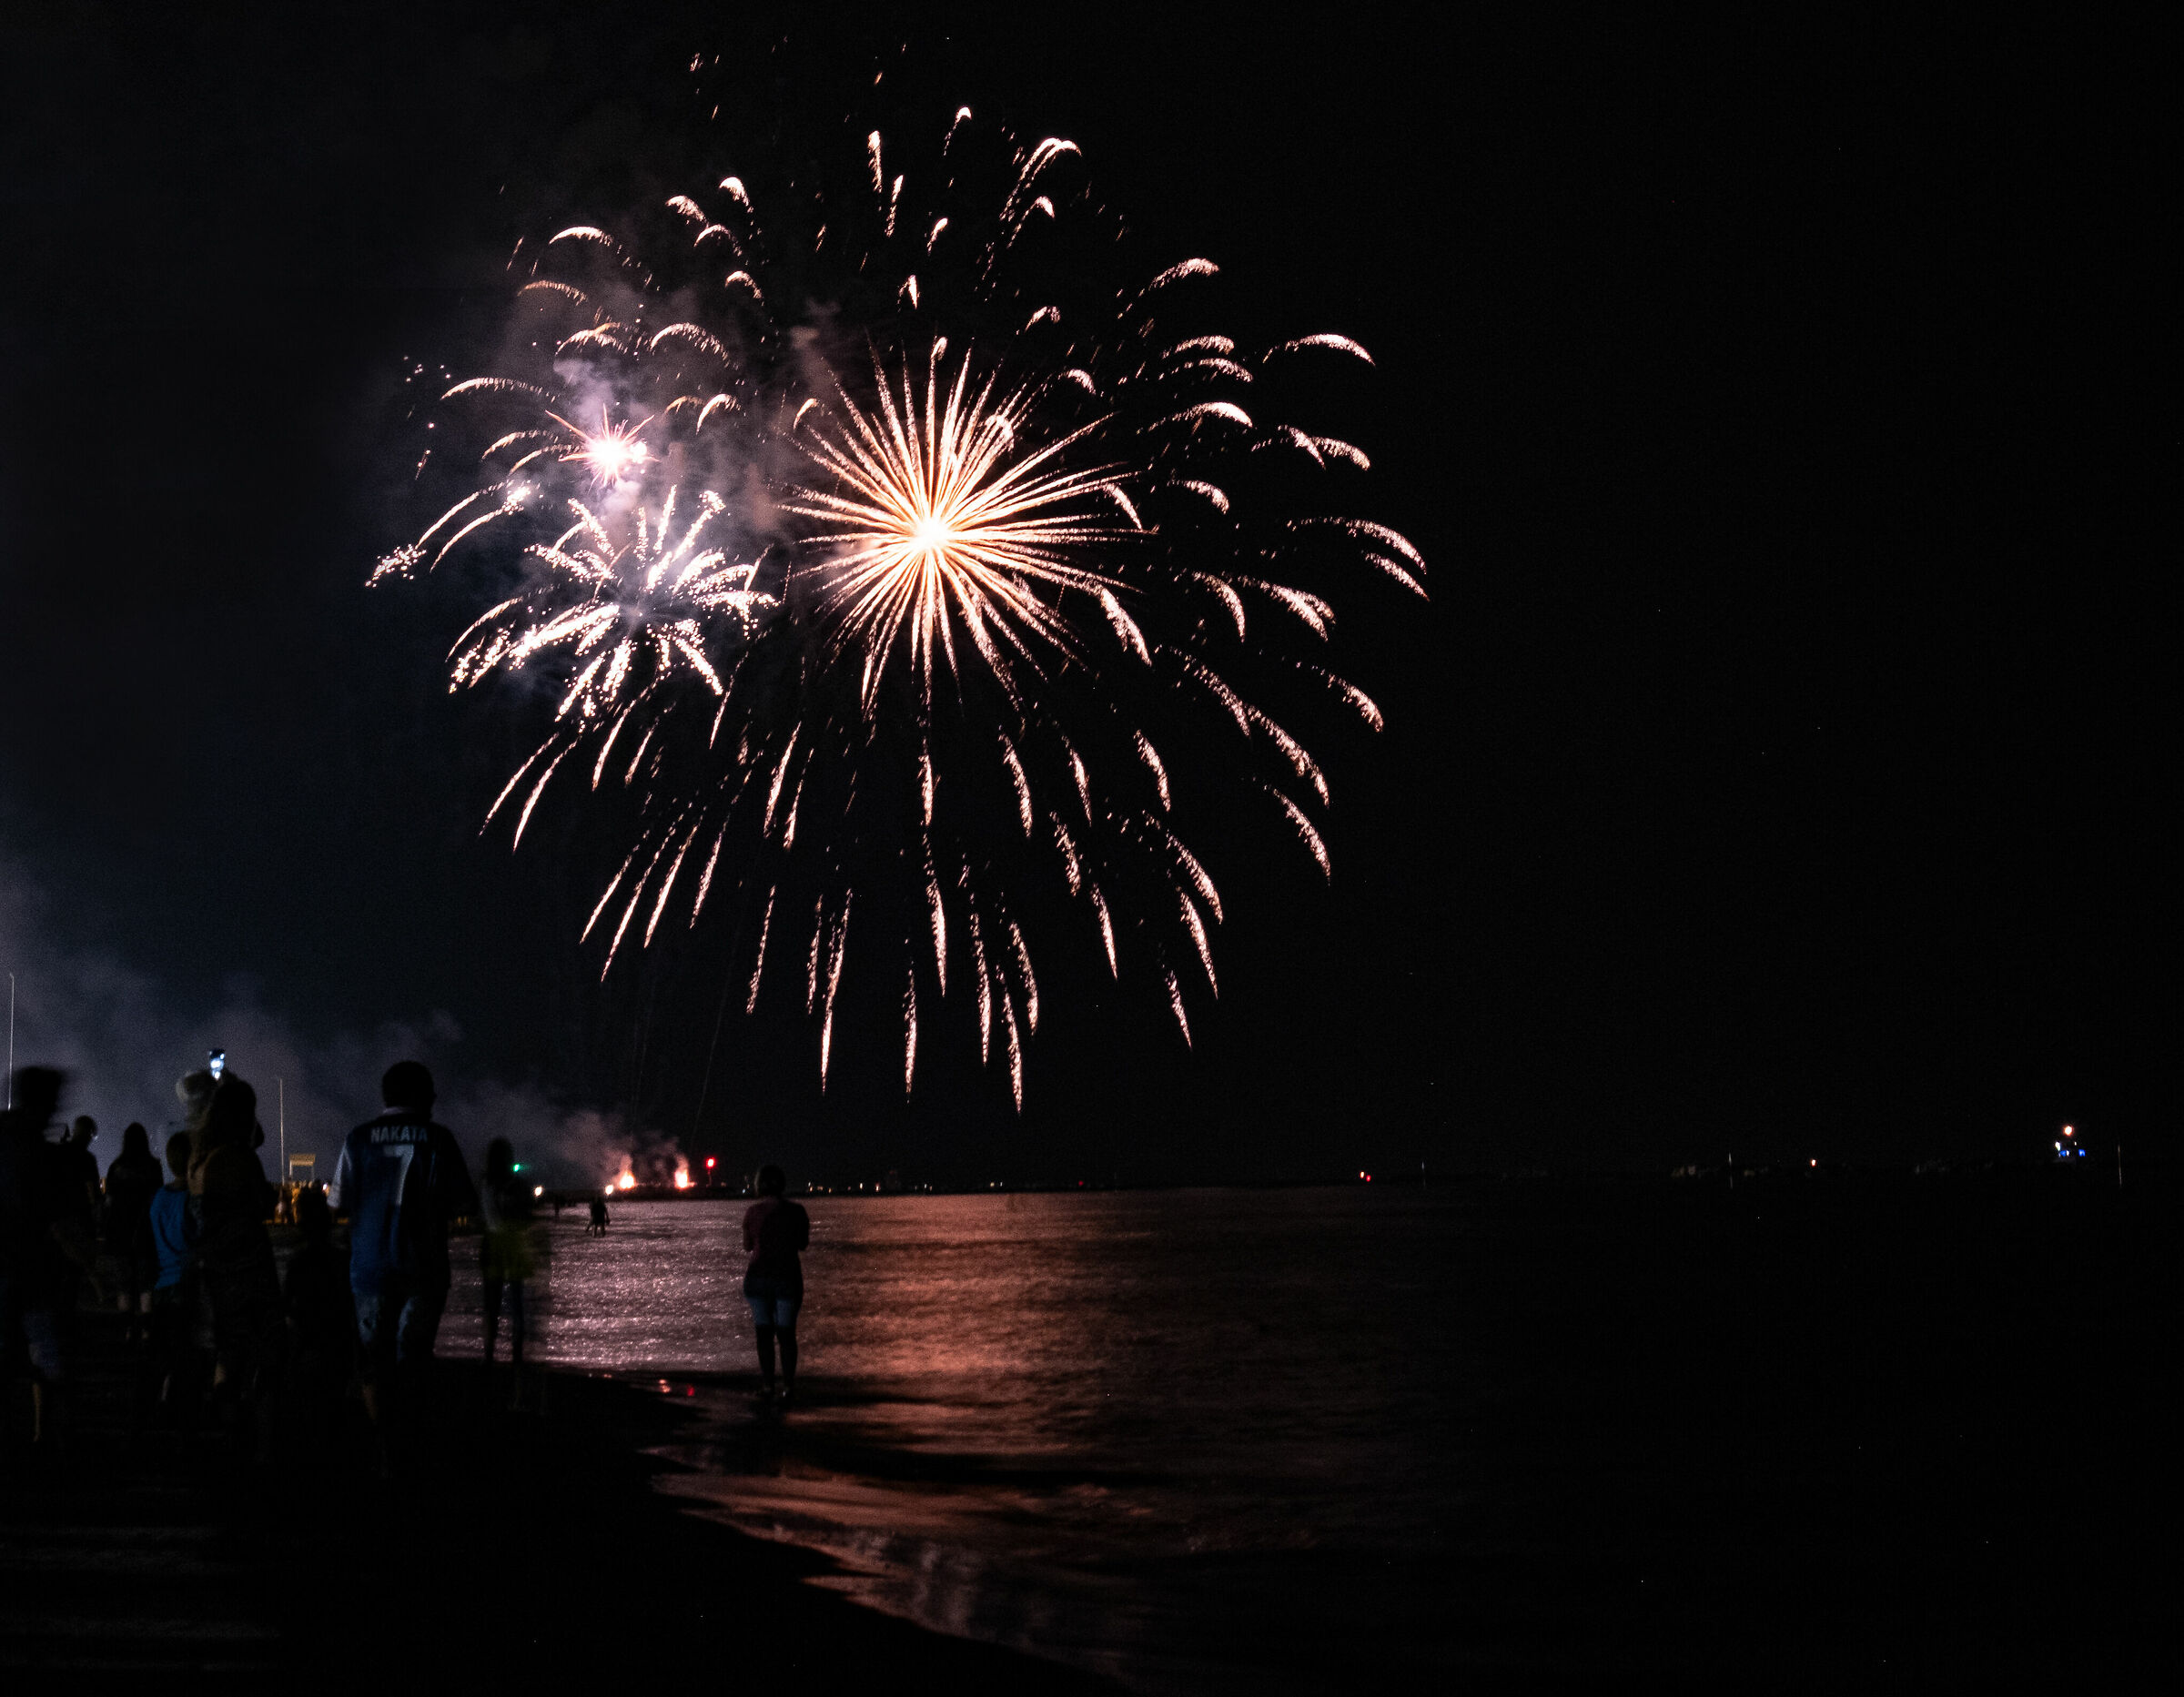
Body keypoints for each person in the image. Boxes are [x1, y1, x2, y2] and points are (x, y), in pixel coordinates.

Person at [329, 1061, 477, 1455]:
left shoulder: (358, 1138)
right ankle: (410, 1439)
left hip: (370, 1267)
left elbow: (338, 1202)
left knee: (374, 1358)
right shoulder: (439, 1139)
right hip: (424, 1268)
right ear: (421, 1095)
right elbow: (464, 1202)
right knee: (413, 1355)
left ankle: (382, 1440)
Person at [189, 1075, 282, 1417]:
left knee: (227, 1349)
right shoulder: (237, 1158)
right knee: (263, 1350)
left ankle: (223, 1419)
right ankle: (249, 1424)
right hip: (246, 1266)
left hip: (213, 1264)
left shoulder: (199, 1158)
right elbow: (262, 1204)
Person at [0, 1067, 70, 1445]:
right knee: (47, 1363)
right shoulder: (41, 1155)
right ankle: (43, 1437)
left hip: (14, 1272)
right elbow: (56, 1221)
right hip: (31, 1275)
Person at [282, 1187, 352, 1439]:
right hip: (337, 1343)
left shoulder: (297, 1262)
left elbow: (288, 1309)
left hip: (307, 1344)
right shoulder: (342, 1260)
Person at [741, 1165, 810, 1403]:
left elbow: (747, 1246)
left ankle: (768, 1386)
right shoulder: (797, 1211)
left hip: (757, 1279)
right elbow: (802, 1244)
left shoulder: (752, 1212)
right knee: (787, 1334)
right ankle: (788, 1387)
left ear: (759, 1185)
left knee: (763, 1334)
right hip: (787, 1278)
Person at [147, 1131, 205, 1414]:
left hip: (161, 1285)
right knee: (186, 1351)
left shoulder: (159, 1198)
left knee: (164, 1351)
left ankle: (158, 1399)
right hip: (186, 1283)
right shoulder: (192, 1200)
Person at [477, 1139, 538, 1390]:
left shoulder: (484, 1183)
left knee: (491, 1305)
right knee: (516, 1304)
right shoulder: (518, 1185)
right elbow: (528, 1214)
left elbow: (481, 1214)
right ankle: (517, 1357)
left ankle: (488, 1355)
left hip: (491, 1244)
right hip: (513, 1244)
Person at [104, 1123, 166, 1339]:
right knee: (146, 1285)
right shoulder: (153, 1166)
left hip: (119, 1235)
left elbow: (109, 1202)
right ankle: (147, 1331)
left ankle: (128, 1331)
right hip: (145, 1234)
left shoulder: (116, 1167)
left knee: (124, 1286)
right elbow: (157, 1199)